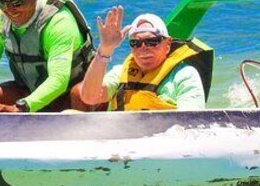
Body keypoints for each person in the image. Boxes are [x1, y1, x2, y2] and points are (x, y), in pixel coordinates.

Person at [78, 6, 211, 111]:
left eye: (152, 42)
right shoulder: (120, 72)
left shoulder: (184, 75)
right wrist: (105, 49)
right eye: (135, 43)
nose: (143, 48)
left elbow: (191, 121)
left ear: (168, 44)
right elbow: (90, 98)